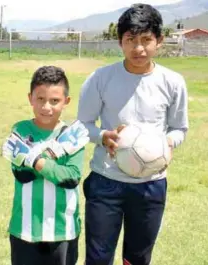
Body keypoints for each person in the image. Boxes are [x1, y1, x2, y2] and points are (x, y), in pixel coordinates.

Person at [77, 4, 189, 265]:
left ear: (159, 41)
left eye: (146, 40)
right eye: (131, 40)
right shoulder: (100, 78)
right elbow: (82, 124)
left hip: (151, 185)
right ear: (120, 42)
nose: (139, 48)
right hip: (106, 181)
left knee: (138, 259)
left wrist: (169, 142)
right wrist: (104, 135)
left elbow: (179, 128)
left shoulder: (173, 82)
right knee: (98, 258)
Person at [1, 66, 89, 265]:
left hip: (62, 230)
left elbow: (70, 178)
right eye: (40, 99)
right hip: (24, 228)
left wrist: (34, 159)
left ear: (66, 101)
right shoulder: (21, 129)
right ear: (30, 98)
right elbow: (22, 174)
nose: (46, 107)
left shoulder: (74, 134)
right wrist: (52, 159)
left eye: (54, 101)